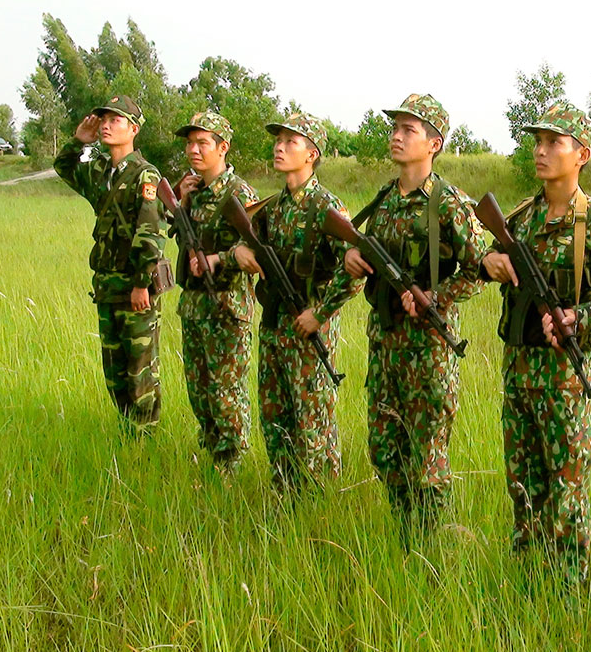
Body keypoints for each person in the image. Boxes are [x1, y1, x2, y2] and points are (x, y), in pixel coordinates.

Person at [480, 103, 591, 583]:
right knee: (522, 486)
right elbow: (482, 257)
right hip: (518, 373)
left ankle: (567, 593)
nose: (541, 150)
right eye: (538, 141)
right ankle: (527, 583)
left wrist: (582, 317)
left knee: (567, 492)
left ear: (582, 154)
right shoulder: (518, 219)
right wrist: (488, 263)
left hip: (566, 382)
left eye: (554, 142)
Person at [343, 93, 485, 544]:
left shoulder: (449, 203)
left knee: (426, 458)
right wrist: (351, 254)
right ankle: (403, 537)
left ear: (434, 143)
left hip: (428, 352)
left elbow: (484, 266)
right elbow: (364, 247)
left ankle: (430, 545)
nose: (397, 136)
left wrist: (437, 297)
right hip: (384, 344)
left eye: (409, 130)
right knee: (386, 449)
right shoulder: (384, 199)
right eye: (396, 128)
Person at [231, 113, 358, 490]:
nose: (280, 146)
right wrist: (239, 251)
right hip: (273, 329)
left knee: (313, 422)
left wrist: (319, 314)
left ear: (312, 153)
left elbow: (355, 270)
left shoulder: (327, 207)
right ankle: (285, 495)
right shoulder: (272, 206)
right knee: (275, 417)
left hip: (308, 334)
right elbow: (243, 238)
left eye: (291, 141)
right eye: (278, 140)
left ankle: (321, 502)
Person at [53, 95, 169, 431]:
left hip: (135, 288)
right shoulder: (101, 171)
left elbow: (150, 233)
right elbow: (64, 168)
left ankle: (145, 440)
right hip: (106, 287)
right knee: (116, 374)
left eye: (114, 120)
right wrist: (78, 141)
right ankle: (128, 434)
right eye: (103, 119)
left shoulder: (145, 175)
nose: (105, 125)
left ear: (133, 129)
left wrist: (141, 283)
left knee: (140, 373)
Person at [172, 111, 258, 471]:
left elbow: (255, 253)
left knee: (226, 394)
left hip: (226, 309)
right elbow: (181, 237)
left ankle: (232, 466)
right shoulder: (194, 191)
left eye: (202, 142)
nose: (194, 149)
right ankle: (211, 459)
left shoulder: (241, 194)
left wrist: (218, 259)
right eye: (190, 143)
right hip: (194, 307)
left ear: (222, 147)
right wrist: (181, 203)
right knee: (200, 392)